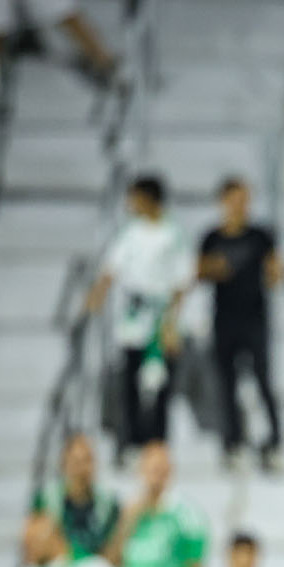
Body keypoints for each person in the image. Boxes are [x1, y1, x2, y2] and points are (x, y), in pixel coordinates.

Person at [86, 174, 192, 462]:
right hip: (134, 319)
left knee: (159, 386)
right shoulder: (129, 233)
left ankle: (156, 444)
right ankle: (129, 442)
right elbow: (112, 268)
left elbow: (182, 282)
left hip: (161, 318)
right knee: (130, 381)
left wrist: (172, 322)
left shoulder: (173, 234)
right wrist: (97, 294)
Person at [198, 177, 284, 470]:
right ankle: (232, 442)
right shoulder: (211, 237)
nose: (240, 206)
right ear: (223, 202)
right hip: (225, 319)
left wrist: (276, 272)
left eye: (244, 200)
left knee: (263, 380)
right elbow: (198, 272)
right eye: (235, 199)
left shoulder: (260, 235)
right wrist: (214, 268)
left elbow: (275, 269)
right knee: (226, 384)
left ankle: (274, 441)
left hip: (254, 319)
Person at [31, 433, 118, 560]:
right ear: (64, 465)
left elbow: (113, 548)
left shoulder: (108, 505)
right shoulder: (47, 500)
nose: (81, 469)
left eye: (87, 461)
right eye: (76, 462)